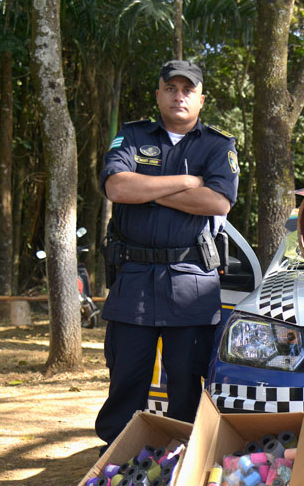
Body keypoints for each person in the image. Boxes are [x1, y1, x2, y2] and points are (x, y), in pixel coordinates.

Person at [95, 60, 239, 448]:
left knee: (188, 384)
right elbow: (118, 188)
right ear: (158, 94)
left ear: (201, 99)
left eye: (187, 90)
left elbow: (217, 201)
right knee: (126, 380)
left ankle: (185, 465)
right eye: (171, 88)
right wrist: (186, 182)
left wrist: (151, 188)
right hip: (134, 281)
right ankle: (116, 466)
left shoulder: (218, 145)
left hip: (191, 282)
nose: (179, 96)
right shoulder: (132, 136)